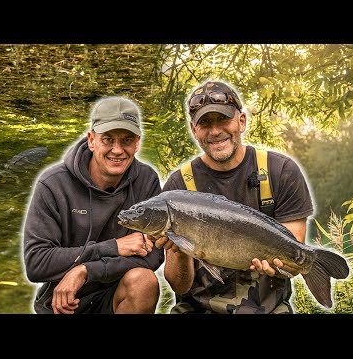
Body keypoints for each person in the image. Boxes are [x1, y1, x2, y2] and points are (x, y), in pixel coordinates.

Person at [155, 80, 314, 314]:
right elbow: (179, 285)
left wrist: (277, 266)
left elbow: (294, 258)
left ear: (241, 121)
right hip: (197, 309)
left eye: (223, 119)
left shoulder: (280, 171)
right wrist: (179, 249)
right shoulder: (179, 186)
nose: (215, 131)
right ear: (193, 129)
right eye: (205, 123)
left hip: (267, 309)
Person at [23, 96, 164, 314]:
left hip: (115, 294)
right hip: (62, 302)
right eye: (108, 139)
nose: (117, 150)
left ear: (137, 143)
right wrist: (113, 247)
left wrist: (86, 270)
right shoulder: (53, 184)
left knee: (144, 281)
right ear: (91, 140)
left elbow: (153, 256)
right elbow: (36, 263)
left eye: (126, 140)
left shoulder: (147, 181)